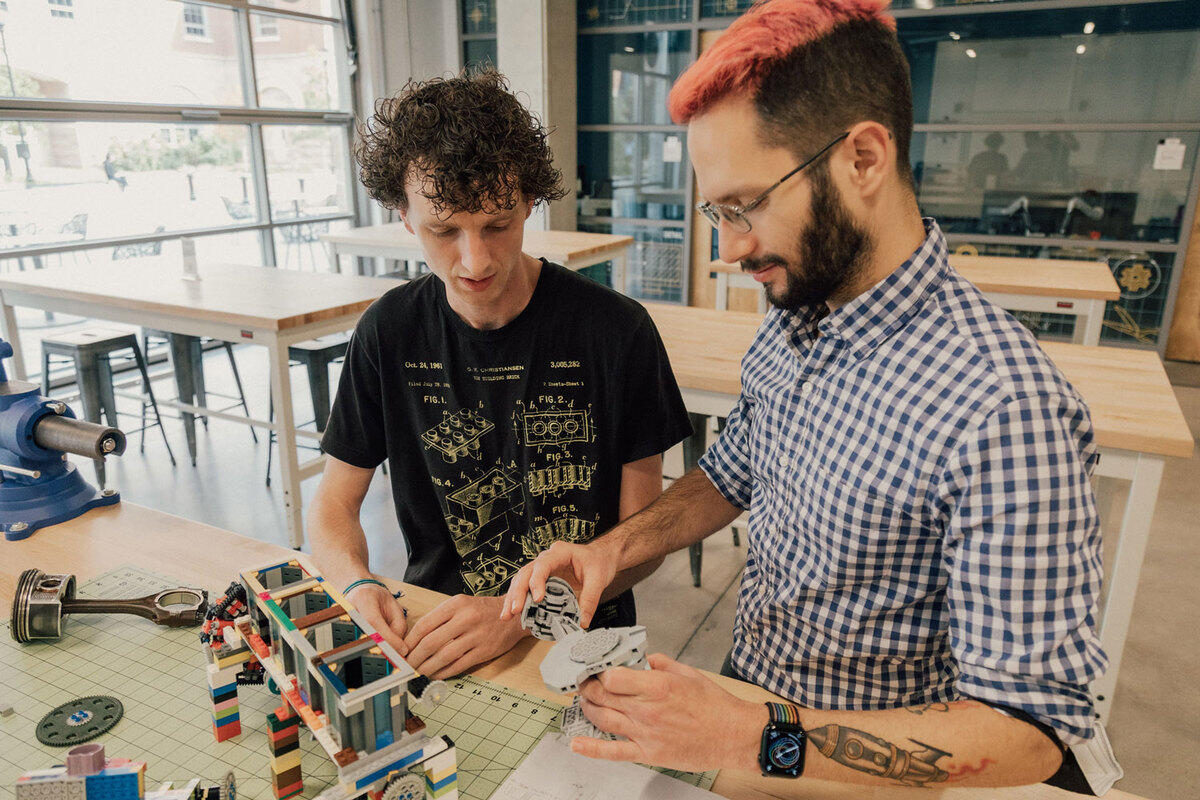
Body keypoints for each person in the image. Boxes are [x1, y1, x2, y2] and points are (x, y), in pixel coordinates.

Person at [503, 0, 1106, 788]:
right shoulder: (798, 318)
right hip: (747, 698)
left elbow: (1029, 731)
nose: (730, 248)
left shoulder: (1003, 408)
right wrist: (610, 550)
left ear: (862, 159)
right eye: (716, 211)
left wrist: (753, 737)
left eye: (747, 205)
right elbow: (733, 473)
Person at [310, 70, 692, 682]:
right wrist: (357, 585)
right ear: (403, 215)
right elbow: (334, 502)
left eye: (497, 223)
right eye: (444, 230)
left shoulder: (616, 331)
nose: (476, 259)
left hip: (586, 639)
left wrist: (519, 614)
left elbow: (640, 540)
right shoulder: (389, 331)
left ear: (530, 203)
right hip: (441, 629)